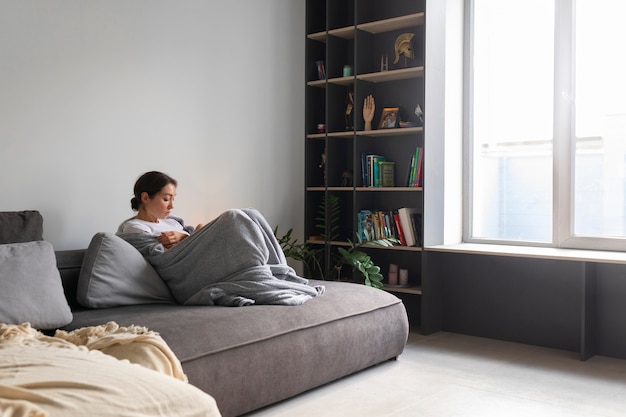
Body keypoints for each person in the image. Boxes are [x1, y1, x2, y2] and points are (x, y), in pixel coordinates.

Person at [117, 171, 324, 307]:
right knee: (233, 217)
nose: (171, 206)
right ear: (145, 198)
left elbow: (187, 241)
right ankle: (260, 275)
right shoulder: (134, 227)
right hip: (185, 276)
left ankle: (273, 271)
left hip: (195, 258)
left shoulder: (173, 223)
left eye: (173, 199)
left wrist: (185, 235)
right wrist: (188, 238)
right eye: (165, 199)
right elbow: (160, 257)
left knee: (251, 214)